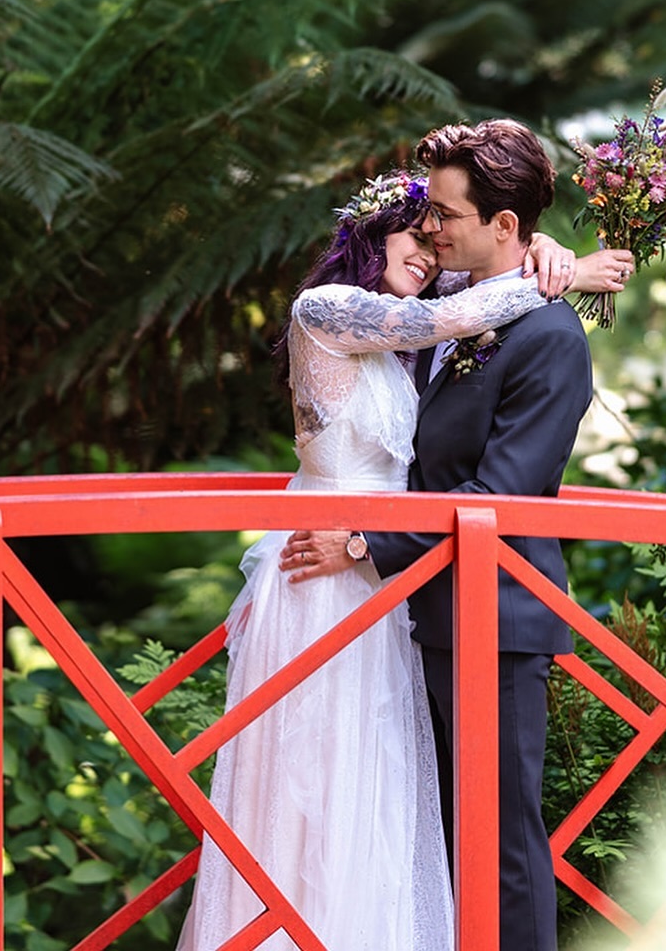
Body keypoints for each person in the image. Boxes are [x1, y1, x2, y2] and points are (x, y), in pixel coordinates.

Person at [175, 165, 630, 951]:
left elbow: (477, 274)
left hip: (391, 581)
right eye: (418, 233)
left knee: (388, 786)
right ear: (368, 232)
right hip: (324, 569)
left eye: (440, 231)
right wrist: (574, 270)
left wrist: (541, 249)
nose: (431, 250)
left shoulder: (413, 319)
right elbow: (458, 305)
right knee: (310, 779)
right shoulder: (333, 310)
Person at [286, 120, 616, 951]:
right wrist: (560, 260)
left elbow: (496, 498)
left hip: (495, 619)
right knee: (427, 837)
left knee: (503, 843)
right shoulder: (438, 309)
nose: (429, 230)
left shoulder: (550, 338)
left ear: (505, 227)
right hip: (419, 615)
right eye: (425, 214)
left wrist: (365, 545)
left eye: (446, 217)